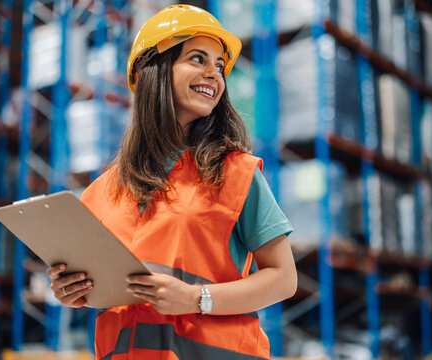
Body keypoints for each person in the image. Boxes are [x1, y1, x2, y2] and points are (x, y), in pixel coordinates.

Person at [46, 5, 297, 359]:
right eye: (198, 59)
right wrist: (71, 292)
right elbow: (101, 291)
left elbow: (284, 279)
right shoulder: (101, 192)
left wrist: (197, 299)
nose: (214, 74)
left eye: (220, 66)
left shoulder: (234, 173)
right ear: (155, 71)